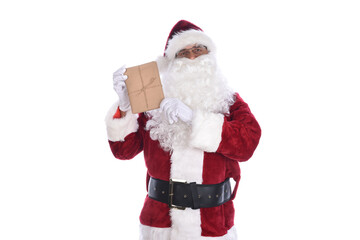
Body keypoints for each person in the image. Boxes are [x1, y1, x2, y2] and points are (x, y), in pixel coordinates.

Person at [105, 20, 261, 240]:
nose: (191, 57)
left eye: (198, 50)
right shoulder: (153, 105)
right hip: (160, 227)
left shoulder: (228, 101)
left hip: (211, 225)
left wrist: (194, 119)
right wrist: (125, 106)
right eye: (183, 53)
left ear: (209, 56)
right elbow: (123, 151)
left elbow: (248, 144)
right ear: (171, 63)